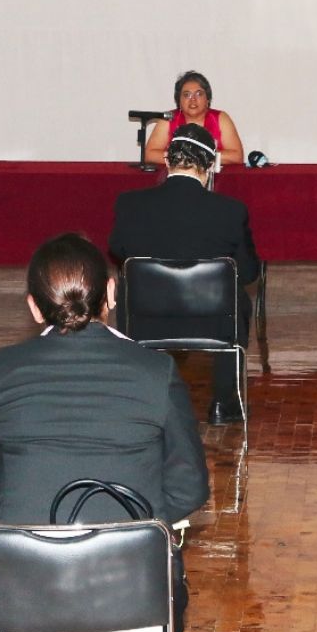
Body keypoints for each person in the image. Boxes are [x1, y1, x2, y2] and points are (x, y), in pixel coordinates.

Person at [0, 232, 210, 632]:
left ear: (34, 307)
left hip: (26, 601)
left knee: (43, 604)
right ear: (111, 293)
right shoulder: (155, 371)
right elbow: (190, 487)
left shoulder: (2, 370)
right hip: (132, 593)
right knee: (150, 582)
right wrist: (143, 522)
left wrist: (34, 523)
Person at [110, 122, 261, 425]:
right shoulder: (230, 211)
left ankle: (142, 398)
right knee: (237, 298)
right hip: (211, 320)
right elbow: (247, 273)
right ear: (210, 166)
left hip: (146, 318)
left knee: (128, 283)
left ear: (167, 160)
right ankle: (224, 402)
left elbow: (117, 249)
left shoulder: (129, 204)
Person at [143, 70, 244, 166]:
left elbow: (237, 156)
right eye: (187, 95)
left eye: (199, 94)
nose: (193, 99)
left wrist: (195, 156)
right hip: (177, 176)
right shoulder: (168, 119)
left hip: (215, 177)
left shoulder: (220, 118)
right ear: (179, 100)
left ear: (207, 99)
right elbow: (149, 155)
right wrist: (187, 158)